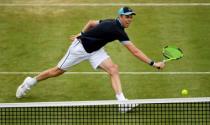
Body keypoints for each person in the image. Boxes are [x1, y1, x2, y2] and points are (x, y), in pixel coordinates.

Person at [16, 7, 165, 101]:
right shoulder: (117, 30)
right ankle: (30, 82)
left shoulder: (110, 22)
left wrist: (81, 33)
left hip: (95, 50)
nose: (129, 19)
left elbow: (91, 22)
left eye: (131, 17)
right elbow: (135, 51)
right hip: (79, 49)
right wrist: (153, 63)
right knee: (57, 71)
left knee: (113, 69)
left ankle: (122, 101)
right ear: (120, 17)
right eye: (127, 16)